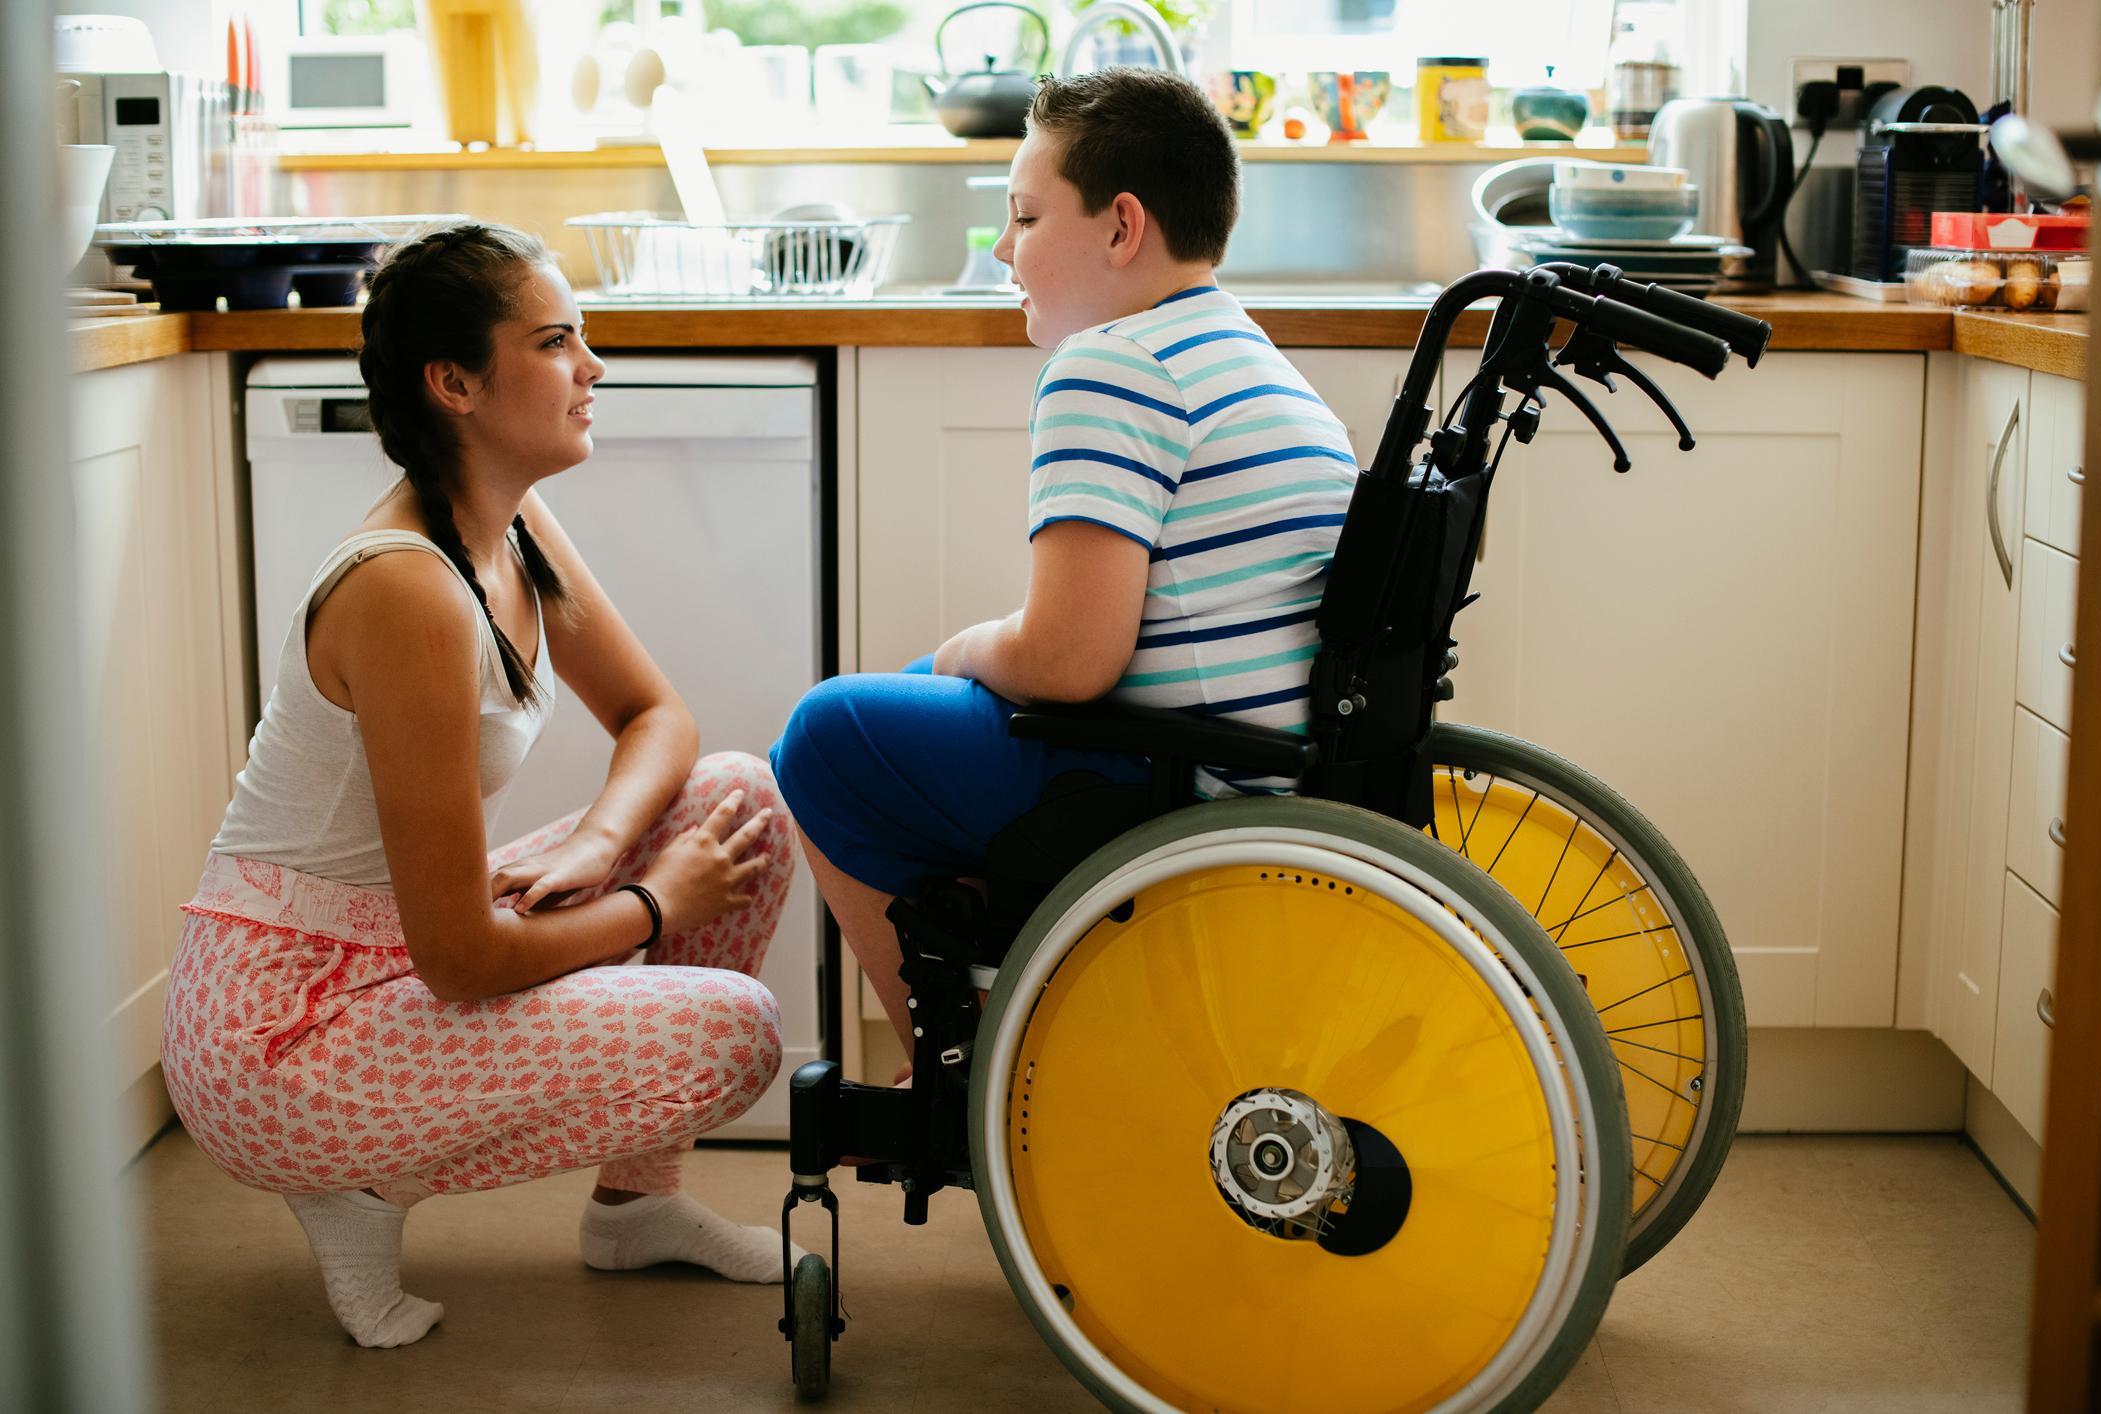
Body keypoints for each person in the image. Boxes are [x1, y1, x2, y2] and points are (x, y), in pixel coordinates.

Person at [161, 222, 800, 1350]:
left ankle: (634, 1208)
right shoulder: (405, 589)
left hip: (393, 950)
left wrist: (602, 846)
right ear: (454, 383)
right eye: (557, 343)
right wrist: (655, 908)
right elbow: (460, 959)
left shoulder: (507, 523)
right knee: (738, 1033)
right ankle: (353, 1178)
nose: (593, 369)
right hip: (283, 1031)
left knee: (737, 796)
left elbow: (660, 717)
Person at [770, 69, 1358, 1063]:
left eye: (1025, 217)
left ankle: (956, 1080)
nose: (1004, 249)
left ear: (1121, 227)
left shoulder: (1109, 364)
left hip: (1176, 774)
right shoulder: (1250, 357)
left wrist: (969, 646)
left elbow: (1071, 661)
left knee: (825, 733)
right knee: (906, 701)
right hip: (1263, 759)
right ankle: (1024, 1019)